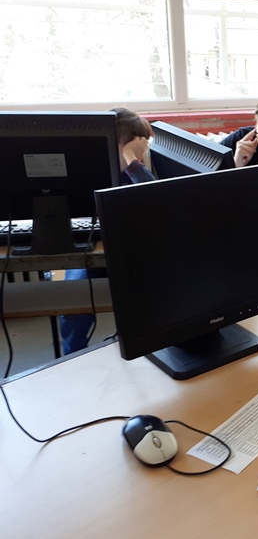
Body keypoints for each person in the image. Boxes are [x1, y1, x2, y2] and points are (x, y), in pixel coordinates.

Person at [59, 107, 156, 355]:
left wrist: (131, 160)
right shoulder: (89, 169)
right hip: (92, 248)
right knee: (75, 302)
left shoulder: (137, 172)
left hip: (130, 253)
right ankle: (74, 354)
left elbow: (155, 198)